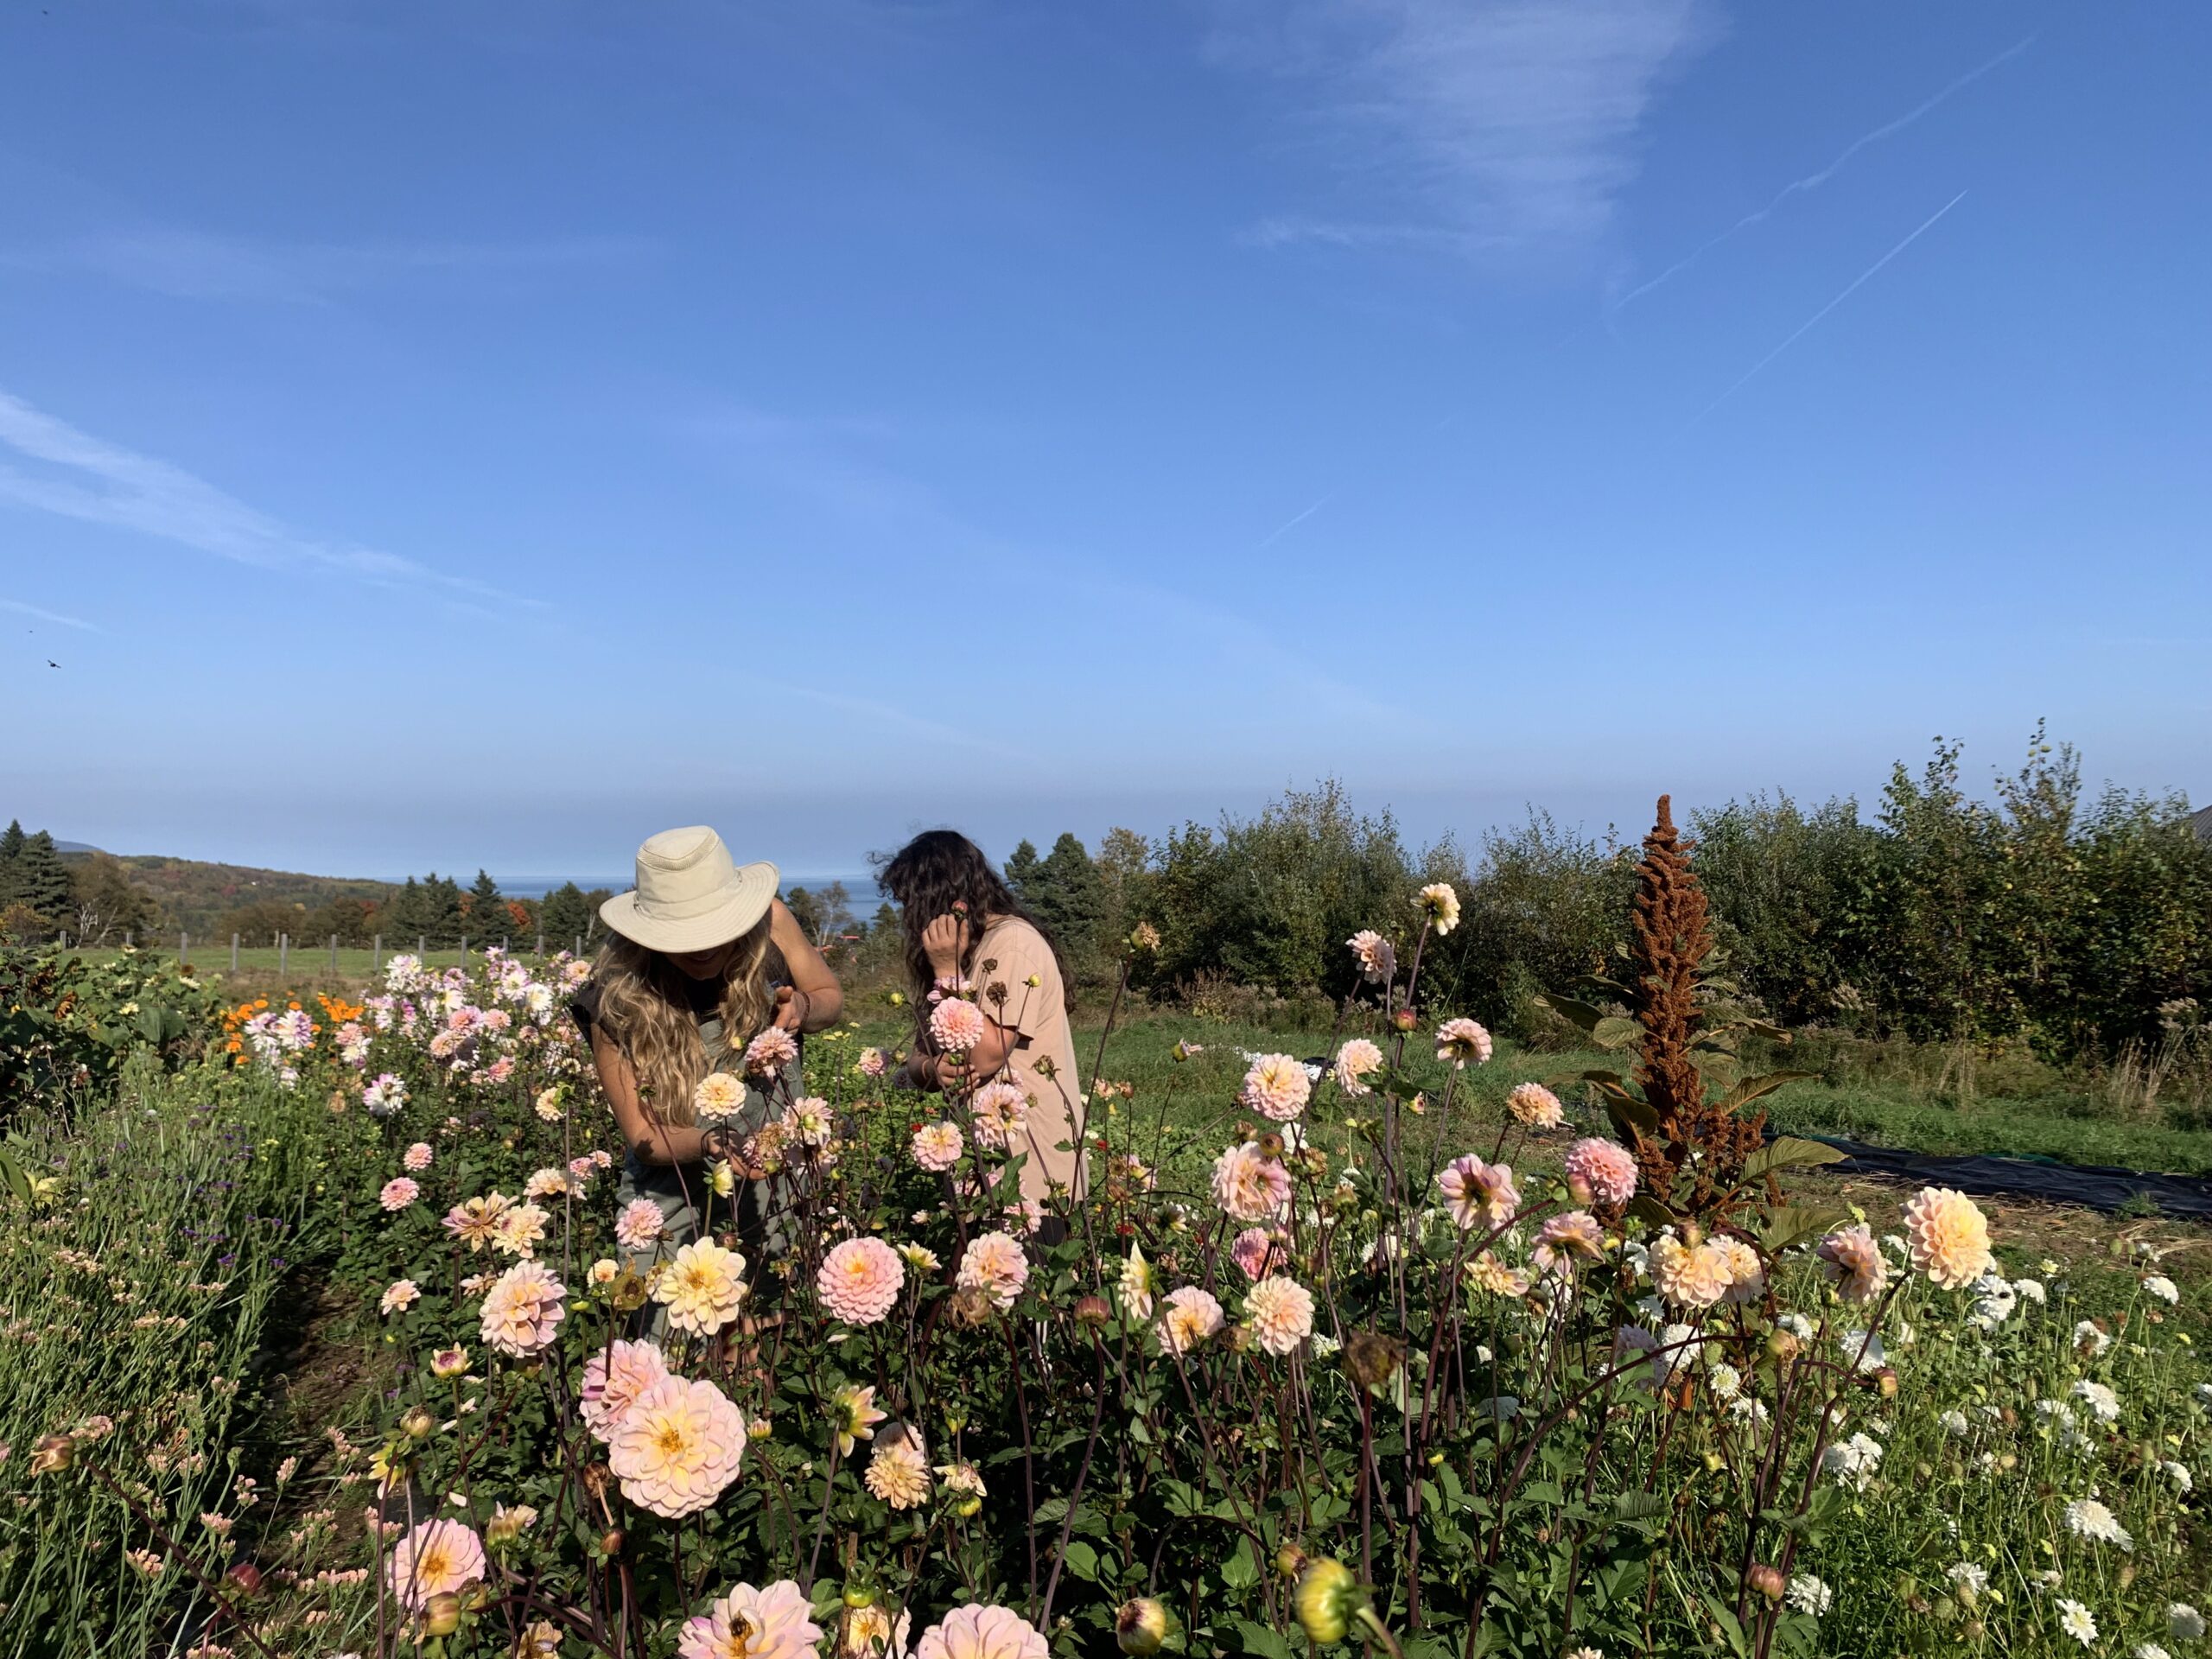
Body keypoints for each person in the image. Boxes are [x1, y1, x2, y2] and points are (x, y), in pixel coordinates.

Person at [572, 826, 843, 1292]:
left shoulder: (771, 924)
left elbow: (830, 997)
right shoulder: (615, 993)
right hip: (669, 1195)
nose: (701, 948)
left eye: (715, 929)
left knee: (768, 1333)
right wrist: (710, 1143)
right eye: (682, 936)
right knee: (669, 1340)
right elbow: (643, 1136)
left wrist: (803, 1007)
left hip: (771, 1174)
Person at [880, 830, 1087, 1226]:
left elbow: (985, 1054)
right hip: (985, 1169)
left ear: (942, 898)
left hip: (1031, 1178)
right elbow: (922, 1052)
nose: (909, 917)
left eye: (913, 903)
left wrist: (945, 970)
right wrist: (927, 1070)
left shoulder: (1010, 946)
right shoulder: (971, 951)